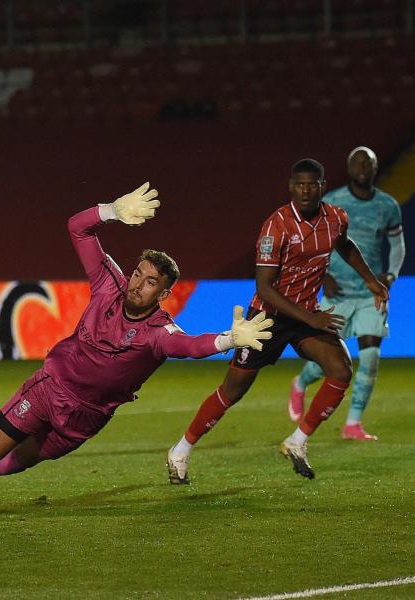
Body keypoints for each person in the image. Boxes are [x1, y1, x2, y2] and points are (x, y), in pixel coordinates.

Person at [0, 182, 275, 528]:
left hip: (87, 417)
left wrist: (229, 340)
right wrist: (111, 210)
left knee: (19, 462)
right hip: (48, 389)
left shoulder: (158, 334)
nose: (137, 284)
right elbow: (77, 228)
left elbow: (192, 346)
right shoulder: (107, 286)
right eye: (138, 274)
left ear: (163, 295)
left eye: (150, 283)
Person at [166, 159, 390, 484]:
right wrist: (312, 317)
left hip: (302, 317)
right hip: (267, 318)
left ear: (322, 187)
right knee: (233, 391)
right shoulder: (276, 226)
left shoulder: (335, 218)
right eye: (299, 184)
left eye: (312, 184)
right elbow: (264, 289)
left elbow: (345, 245)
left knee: (340, 370)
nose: (305, 190)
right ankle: (181, 450)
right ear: (290, 187)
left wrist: (370, 280)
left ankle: (296, 442)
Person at [289, 147, 404, 441]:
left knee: (370, 357)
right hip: (337, 292)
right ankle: (301, 383)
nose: (363, 166)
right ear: (349, 168)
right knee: (327, 363)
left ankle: (353, 423)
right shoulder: (333, 201)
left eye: (368, 162)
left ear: (376, 168)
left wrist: (389, 276)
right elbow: (313, 242)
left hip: (369, 295)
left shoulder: (388, 206)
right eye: (357, 162)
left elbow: (398, 247)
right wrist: (323, 275)